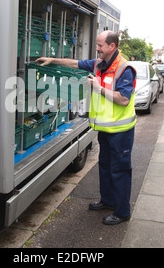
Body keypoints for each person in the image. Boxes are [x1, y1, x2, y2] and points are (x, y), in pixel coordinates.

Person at [36, 31, 137, 225]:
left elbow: (124, 100)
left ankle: (122, 211)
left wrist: (99, 89)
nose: (97, 48)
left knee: (120, 170)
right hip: (106, 130)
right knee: (105, 166)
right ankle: (107, 201)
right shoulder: (99, 63)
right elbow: (75, 63)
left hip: (121, 132)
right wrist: (52, 60)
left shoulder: (125, 69)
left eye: (100, 45)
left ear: (112, 47)